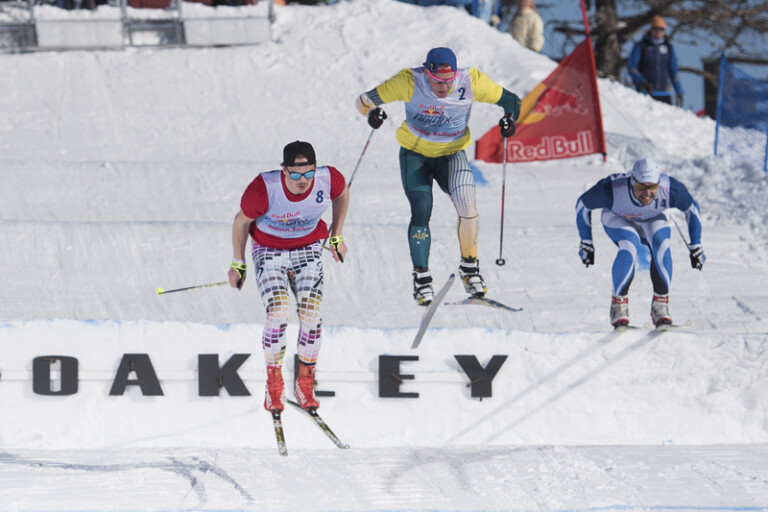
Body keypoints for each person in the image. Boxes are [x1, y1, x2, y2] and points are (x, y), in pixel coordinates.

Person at [354, 47, 521, 306]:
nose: (444, 87)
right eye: (437, 81)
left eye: (449, 81)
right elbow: (363, 101)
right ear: (427, 72)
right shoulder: (409, 81)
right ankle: (422, 277)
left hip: (451, 154)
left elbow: (512, 101)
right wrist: (371, 114)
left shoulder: (471, 81)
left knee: (467, 202)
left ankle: (469, 267)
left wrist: (509, 120)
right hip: (415, 155)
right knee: (422, 208)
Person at [228, 141, 350, 413]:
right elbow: (241, 222)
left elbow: (342, 194)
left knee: (311, 313)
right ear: (283, 170)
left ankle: (305, 383)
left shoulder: (329, 179)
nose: (303, 181)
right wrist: (239, 263)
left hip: (307, 248)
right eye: (295, 174)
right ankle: (274, 384)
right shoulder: (263, 188)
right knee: (279, 311)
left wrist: (337, 235)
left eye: (309, 173)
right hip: (269, 250)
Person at [575, 158, 705, 328]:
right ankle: (619, 307)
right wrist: (586, 241)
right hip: (618, 217)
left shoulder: (670, 188)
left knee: (662, 245)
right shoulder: (611, 188)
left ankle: (660, 307)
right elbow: (582, 205)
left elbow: (692, 208)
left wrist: (696, 245)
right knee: (630, 244)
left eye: (653, 187)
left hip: (651, 218)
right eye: (641, 186)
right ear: (632, 181)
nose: (647, 192)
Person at [627, 15, 685, 107]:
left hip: (664, 94)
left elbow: (673, 71)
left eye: (661, 29)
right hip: (645, 94)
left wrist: (679, 92)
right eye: (656, 28)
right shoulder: (641, 46)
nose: (658, 31)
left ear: (665, 31)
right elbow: (632, 68)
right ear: (651, 29)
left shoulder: (669, 48)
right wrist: (643, 82)